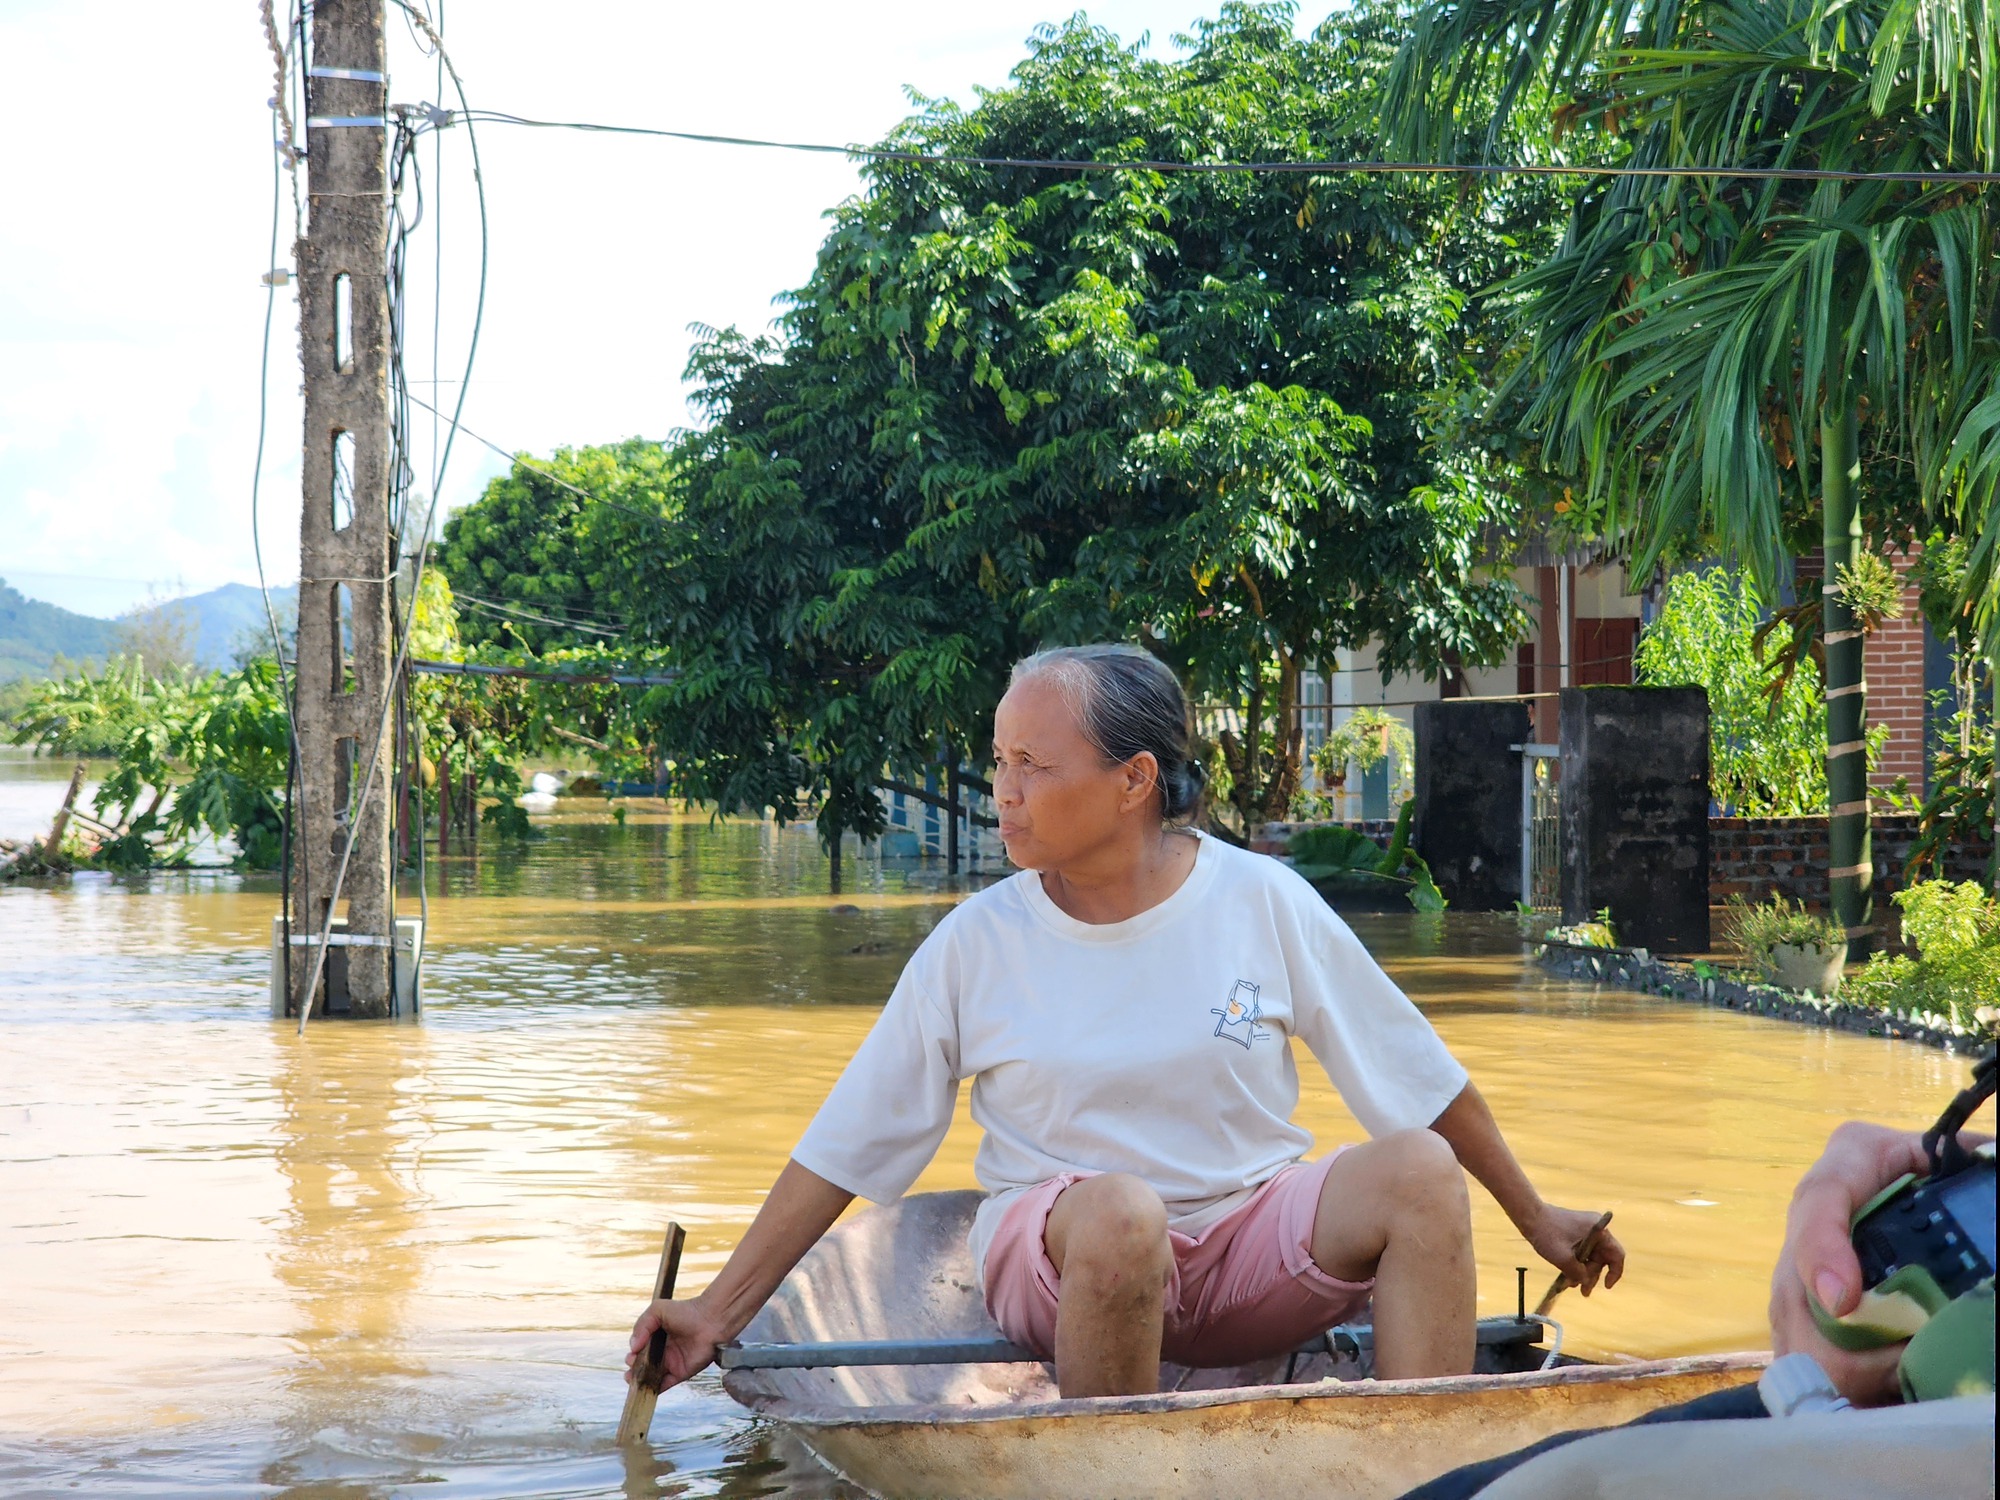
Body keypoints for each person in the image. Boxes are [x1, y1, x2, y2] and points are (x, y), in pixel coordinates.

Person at [629, 644, 1624, 1399]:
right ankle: (1110, 1467)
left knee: (1418, 1171)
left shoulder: (1260, 900)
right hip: (1064, 1261)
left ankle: (1420, 1458)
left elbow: (1415, 1076)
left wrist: (1537, 1219)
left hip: (1246, 1251)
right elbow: (851, 1140)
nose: (1002, 792)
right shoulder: (978, 942)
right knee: (1121, 1214)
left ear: (1133, 781)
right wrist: (716, 1311)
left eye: (1032, 764)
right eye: (999, 760)